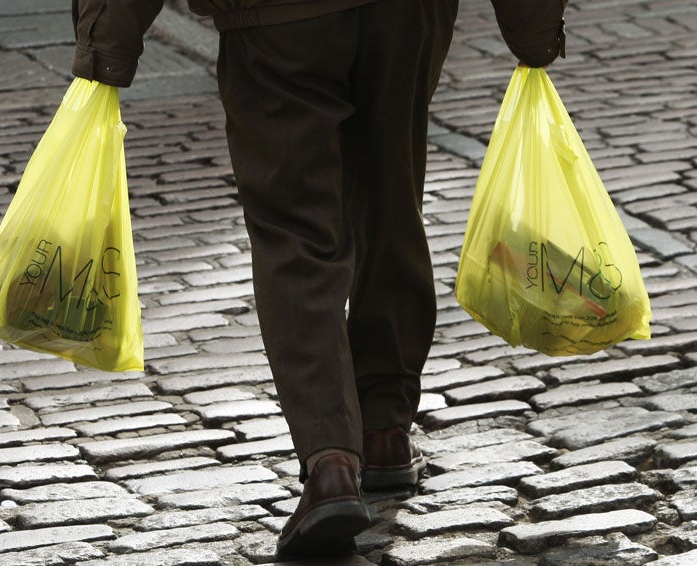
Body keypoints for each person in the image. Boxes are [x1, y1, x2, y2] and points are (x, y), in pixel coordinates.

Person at [71, 0, 567, 559]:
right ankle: (384, 431)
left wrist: (104, 41)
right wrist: (534, 26)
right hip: (406, 17)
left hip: (278, 22)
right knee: (391, 200)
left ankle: (331, 461)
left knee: (295, 233)